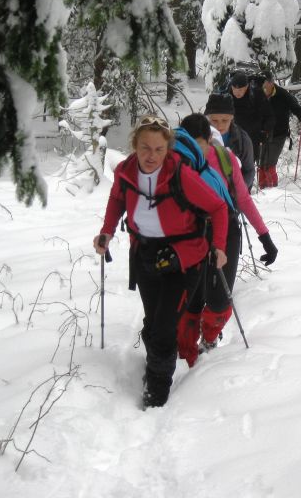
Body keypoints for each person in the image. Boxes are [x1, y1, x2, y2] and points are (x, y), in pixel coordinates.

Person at [93, 115, 228, 409]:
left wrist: (218, 246)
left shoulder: (180, 174)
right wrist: (106, 231)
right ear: (134, 146)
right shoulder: (126, 171)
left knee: (165, 326)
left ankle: (156, 392)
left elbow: (218, 207)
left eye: (158, 149)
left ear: (167, 148)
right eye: (145, 148)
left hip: (185, 258)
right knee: (154, 323)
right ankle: (157, 362)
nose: (151, 156)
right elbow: (117, 200)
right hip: (145, 255)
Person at [174, 114, 278, 366]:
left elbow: (243, 199)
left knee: (220, 298)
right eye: (188, 141)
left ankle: (209, 339)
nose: (193, 148)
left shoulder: (225, 159)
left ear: (209, 139)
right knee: (191, 298)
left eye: (199, 142)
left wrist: (264, 236)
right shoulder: (173, 161)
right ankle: (184, 353)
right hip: (191, 234)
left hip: (226, 229)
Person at [260, 70, 301, 188]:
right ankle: (262, 189)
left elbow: (296, 107)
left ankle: (271, 188)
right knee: (261, 162)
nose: (262, 86)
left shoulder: (283, 94)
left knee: (270, 162)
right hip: (261, 133)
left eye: (265, 83)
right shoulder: (257, 94)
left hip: (279, 133)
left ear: (271, 83)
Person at [204, 92, 256, 191]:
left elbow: (249, 170)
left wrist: (238, 190)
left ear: (232, 118)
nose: (219, 126)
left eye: (225, 120)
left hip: (233, 194)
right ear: (208, 118)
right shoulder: (198, 136)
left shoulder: (242, 140)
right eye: (214, 120)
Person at [228, 71, 274, 175]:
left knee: (246, 170)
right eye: (234, 89)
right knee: (230, 169)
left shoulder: (256, 95)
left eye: (240, 89)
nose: (237, 92)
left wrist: (264, 131)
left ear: (247, 87)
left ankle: (245, 190)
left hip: (251, 138)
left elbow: (269, 116)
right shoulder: (226, 95)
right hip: (231, 137)